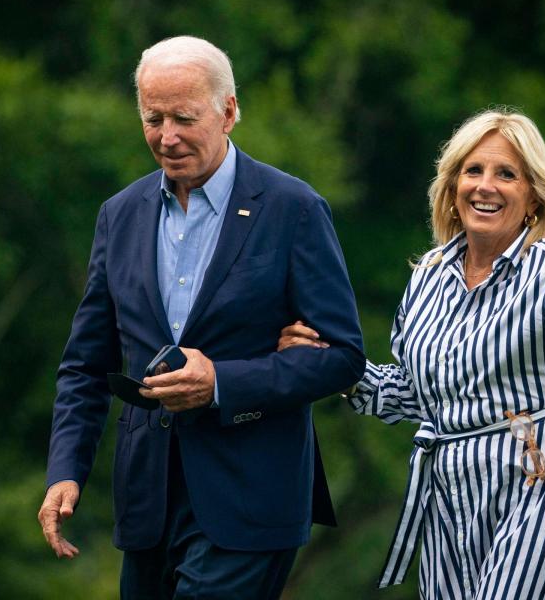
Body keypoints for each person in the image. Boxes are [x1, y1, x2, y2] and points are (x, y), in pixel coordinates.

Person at [37, 35, 365, 599]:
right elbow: (86, 365)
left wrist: (221, 383)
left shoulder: (293, 208)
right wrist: (65, 470)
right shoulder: (119, 215)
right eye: (153, 118)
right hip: (147, 503)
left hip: (251, 496)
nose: (167, 138)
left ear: (229, 111)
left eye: (184, 118)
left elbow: (342, 358)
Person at [279, 100, 545, 598]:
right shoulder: (427, 278)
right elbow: (412, 392)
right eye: (473, 170)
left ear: (532, 197)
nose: (485, 185)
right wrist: (333, 364)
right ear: (453, 189)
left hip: (536, 473)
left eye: (506, 174)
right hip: (449, 490)